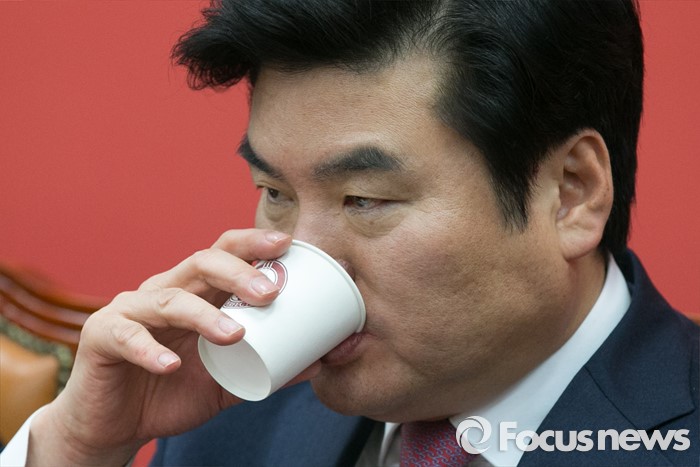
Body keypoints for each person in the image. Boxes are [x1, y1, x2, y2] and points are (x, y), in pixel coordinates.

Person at [1, 0, 697, 466]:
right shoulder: (230, 417)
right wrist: (75, 448)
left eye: (364, 198)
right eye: (275, 193)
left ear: (571, 193)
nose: (295, 261)